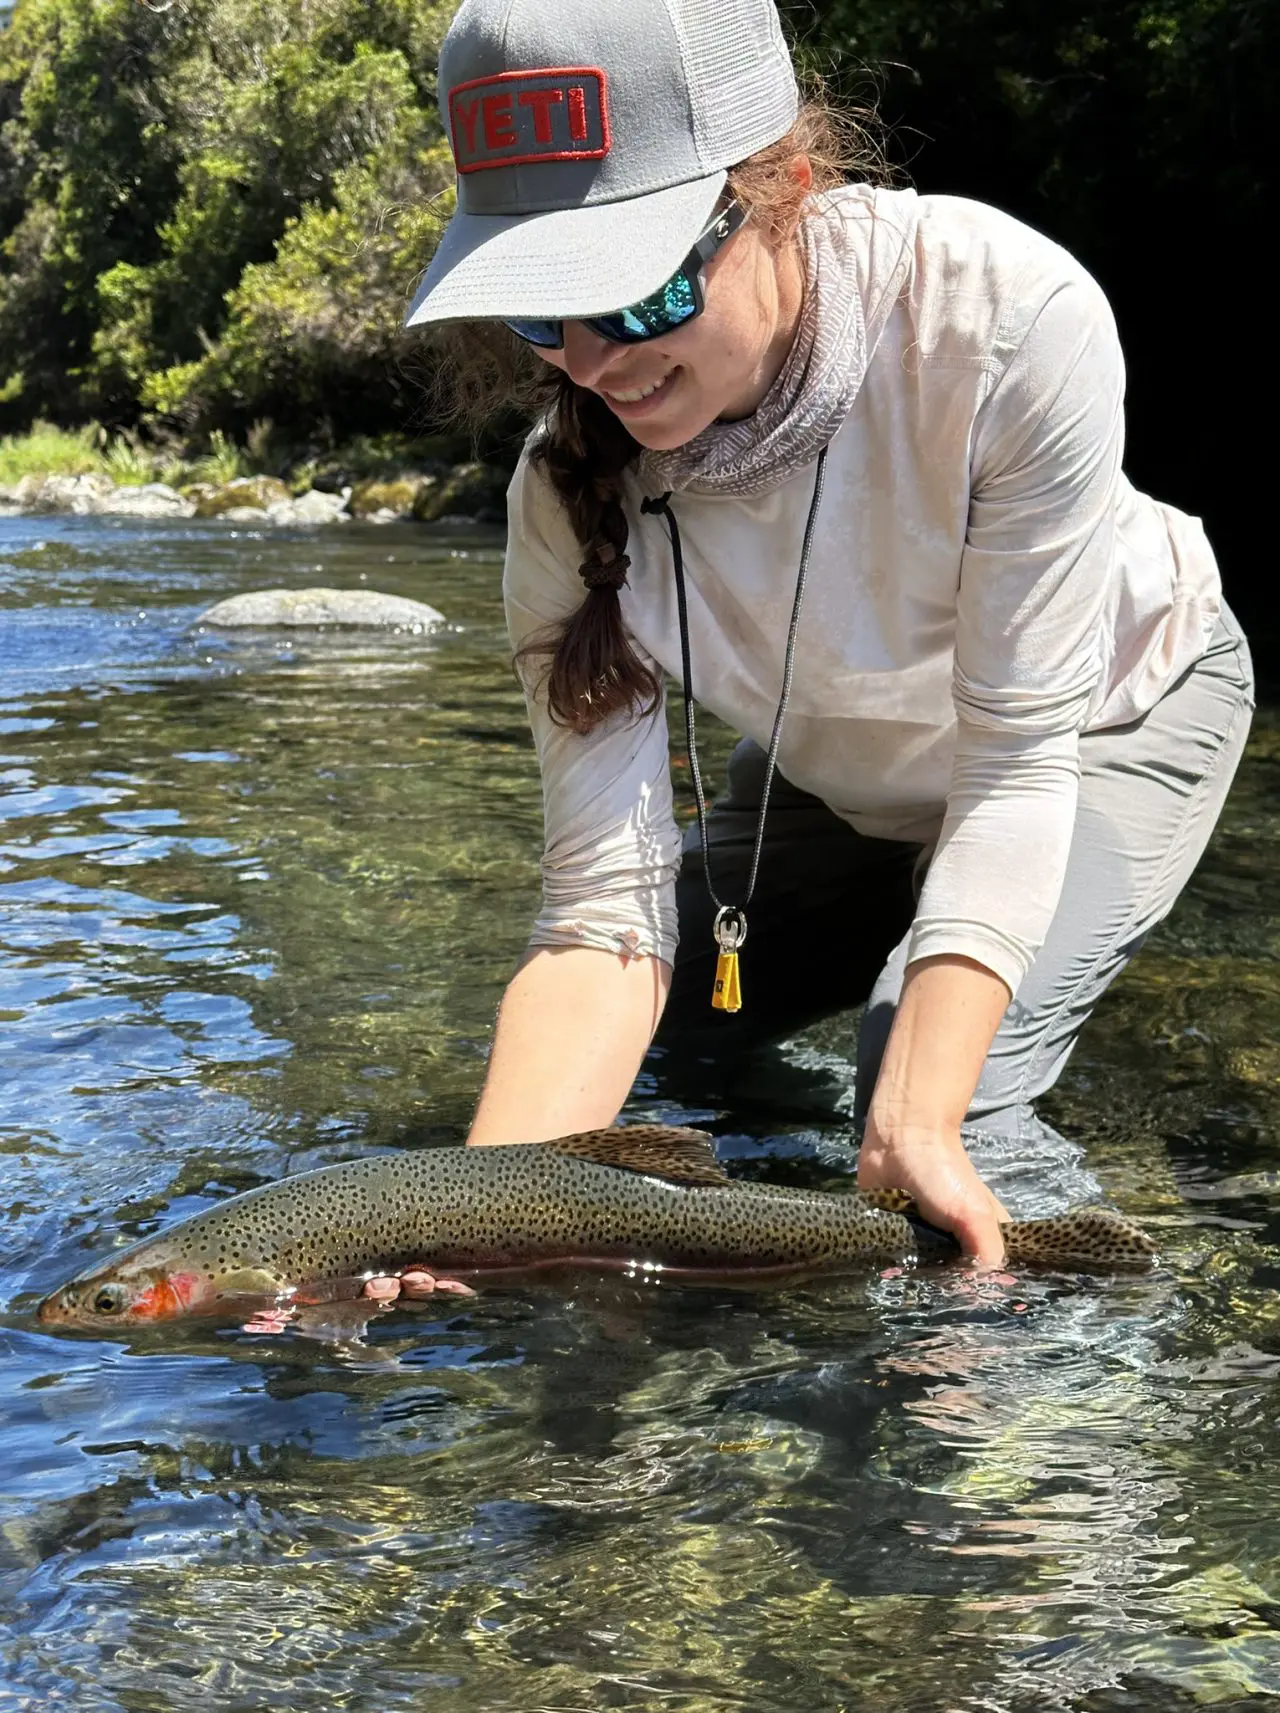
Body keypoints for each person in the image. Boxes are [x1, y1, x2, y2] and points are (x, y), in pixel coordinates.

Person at [363, 0, 1253, 1304]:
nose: (595, 363)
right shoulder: (565, 498)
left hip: (1105, 721)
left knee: (941, 1107)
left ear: (784, 187)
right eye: (541, 318)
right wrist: (483, 1213)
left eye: (639, 289)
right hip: (839, 764)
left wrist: (916, 1124)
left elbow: (1012, 775)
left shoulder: (1006, 322)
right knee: (666, 1052)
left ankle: (1065, 1447)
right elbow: (600, 922)